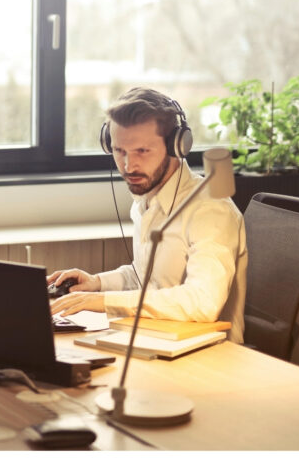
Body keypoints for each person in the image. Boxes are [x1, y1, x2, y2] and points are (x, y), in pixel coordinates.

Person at [48, 87, 247, 343]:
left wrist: (104, 301)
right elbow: (148, 279)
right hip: (155, 340)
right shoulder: (146, 200)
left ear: (177, 146)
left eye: (142, 151)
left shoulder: (211, 210)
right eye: (120, 151)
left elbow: (203, 302)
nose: (129, 167)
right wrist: (97, 283)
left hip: (209, 357)